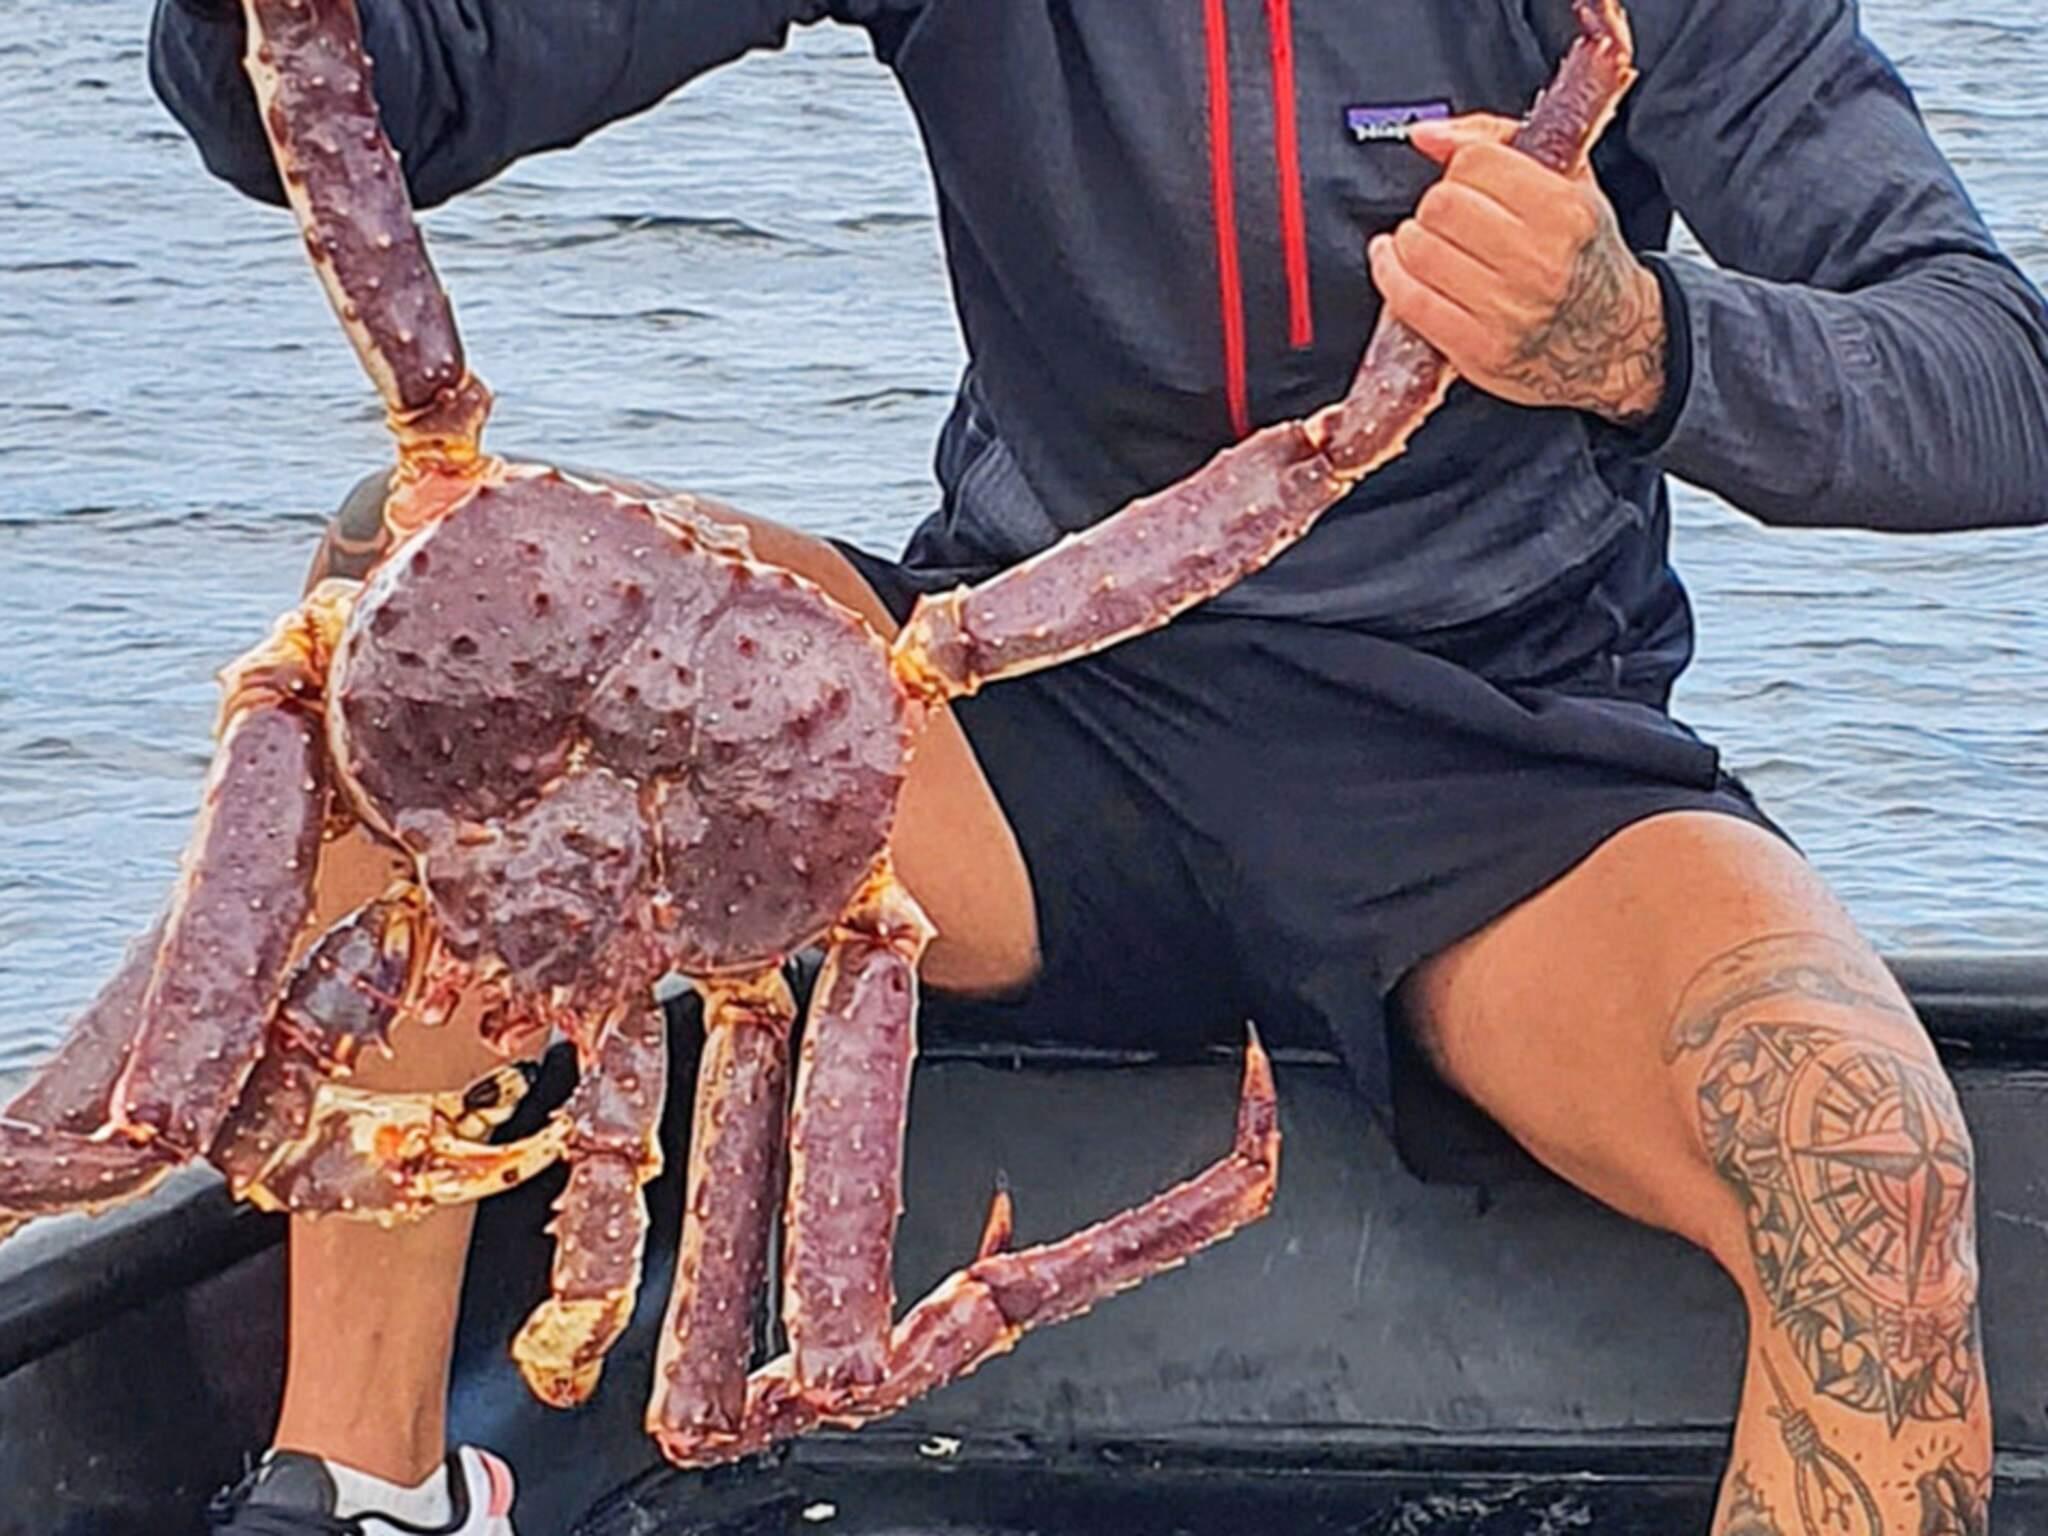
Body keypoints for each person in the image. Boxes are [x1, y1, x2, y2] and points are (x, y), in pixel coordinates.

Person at [146, 0, 2048, 1531]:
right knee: (424, 591)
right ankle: (369, 1488)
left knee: (1868, 1185)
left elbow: (1995, 373)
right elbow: (356, 94)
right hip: (1032, 712)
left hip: (1507, 774)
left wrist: (1642, 340)